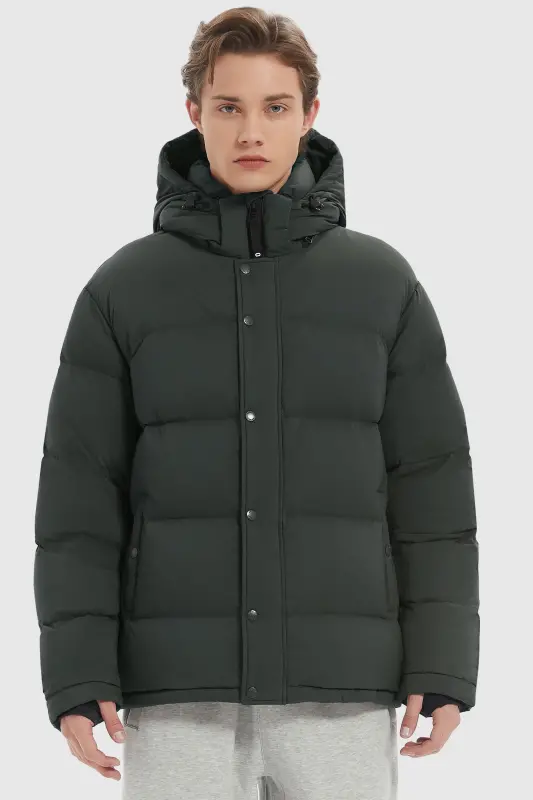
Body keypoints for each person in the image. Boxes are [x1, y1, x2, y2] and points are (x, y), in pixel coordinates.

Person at [33, 6, 479, 799]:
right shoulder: (124, 290)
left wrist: (441, 665)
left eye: (274, 107)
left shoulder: (381, 285)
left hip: (340, 691)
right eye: (227, 106)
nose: (250, 131)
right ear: (193, 113)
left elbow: (431, 493)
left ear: (309, 114)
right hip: (177, 695)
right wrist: (76, 676)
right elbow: (79, 504)